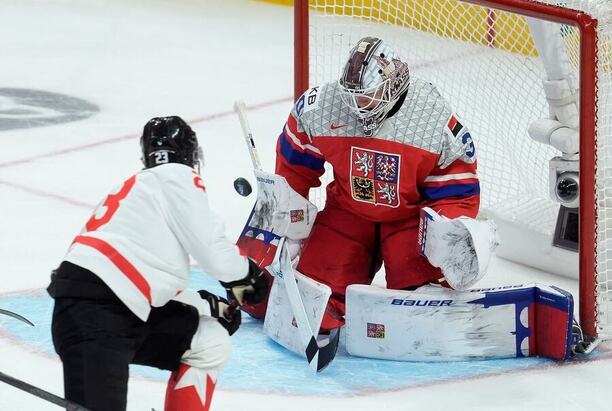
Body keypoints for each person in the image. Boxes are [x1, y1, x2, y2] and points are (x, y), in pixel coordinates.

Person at [47, 116, 268, 411]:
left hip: (112, 311)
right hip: (96, 321)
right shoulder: (176, 176)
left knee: (209, 340)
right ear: (190, 154)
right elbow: (213, 251)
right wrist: (246, 276)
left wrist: (206, 307)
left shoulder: (139, 193)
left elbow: (139, 279)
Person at [265, 36, 480, 330]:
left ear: (391, 85)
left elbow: (456, 188)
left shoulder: (432, 117)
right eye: (351, 96)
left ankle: (421, 289)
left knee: (422, 300)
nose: (356, 106)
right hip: (348, 213)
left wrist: (450, 236)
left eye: (366, 97)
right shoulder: (321, 106)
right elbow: (293, 166)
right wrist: (289, 227)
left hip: (409, 220)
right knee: (314, 293)